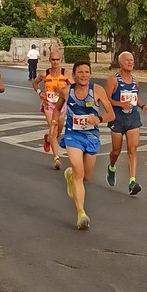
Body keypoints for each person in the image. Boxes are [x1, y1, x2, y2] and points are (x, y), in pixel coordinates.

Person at [50, 61, 115, 230]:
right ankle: (81, 213)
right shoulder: (66, 91)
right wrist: (55, 121)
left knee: (86, 176)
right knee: (79, 172)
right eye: (80, 72)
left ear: (91, 74)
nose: (84, 75)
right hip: (73, 135)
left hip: (91, 136)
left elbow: (111, 114)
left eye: (87, 72)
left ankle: (70, 175)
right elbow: (57, 109)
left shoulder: (97, 91)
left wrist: (99, 119)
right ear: (74, 74)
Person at [105, 51, 147, 195]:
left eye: (132, 60)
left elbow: (135, 98)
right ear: (120, 63)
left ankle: (132, 181)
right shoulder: (113, 80)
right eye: (127, 60)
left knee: (133, 149)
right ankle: (111, 167)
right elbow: (106, 100)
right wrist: (120, 104)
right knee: (116, 151)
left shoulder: (135, 80)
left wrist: (143, 106)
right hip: (117, 119)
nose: (130, 62)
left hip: (132, 119)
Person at [33, 51, 73, 169]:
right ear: (49, 60)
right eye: (53, 60)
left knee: (58, 132)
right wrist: (40, 93)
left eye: (57, 59)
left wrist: (62, 90)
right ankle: (56, 158)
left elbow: (75, 86)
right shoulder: (44, 74)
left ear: (61, 60)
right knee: (53, 129)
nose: (55, 62)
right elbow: (35, 83)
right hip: (49, 105)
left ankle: (47, 138)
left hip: (61, 105)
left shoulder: (66, 73)